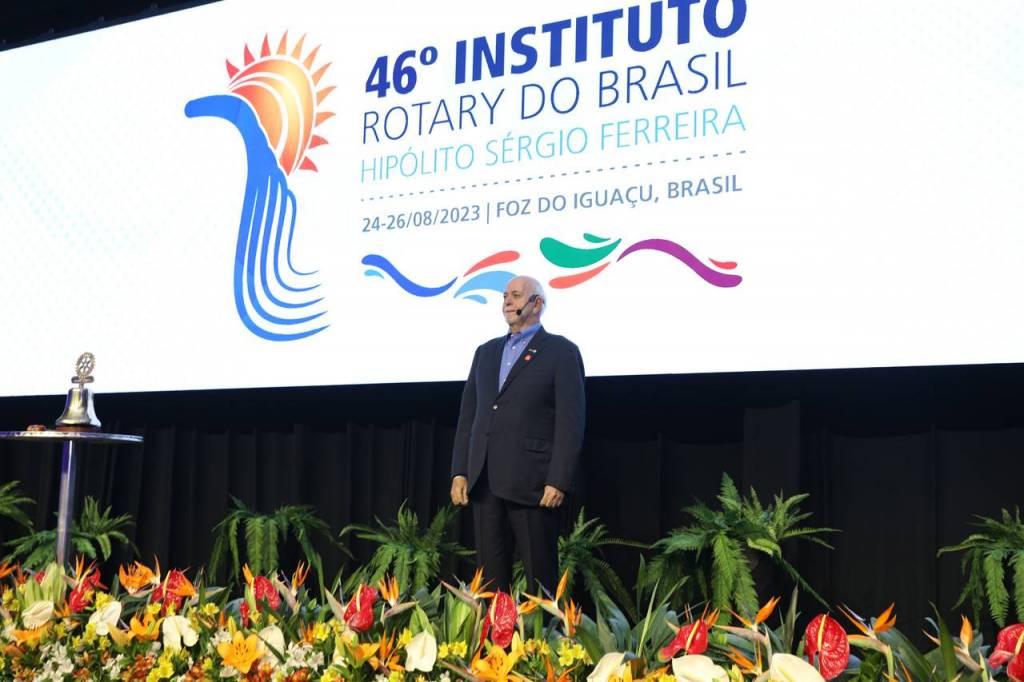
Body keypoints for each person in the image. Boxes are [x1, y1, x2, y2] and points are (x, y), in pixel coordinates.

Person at [450, 275, 585, 595]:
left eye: (516, 295)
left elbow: (571, 421)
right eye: (505, 296)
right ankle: (496, 631)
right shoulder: (485, 352)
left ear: (537, 304)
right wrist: (460, 471)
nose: (507, 301)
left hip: (532, 483)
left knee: (540, 580)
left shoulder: (562, 351)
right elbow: (469, 416)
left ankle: (540, 631)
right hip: (485, 481)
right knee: (490, 584)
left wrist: (559, 480)